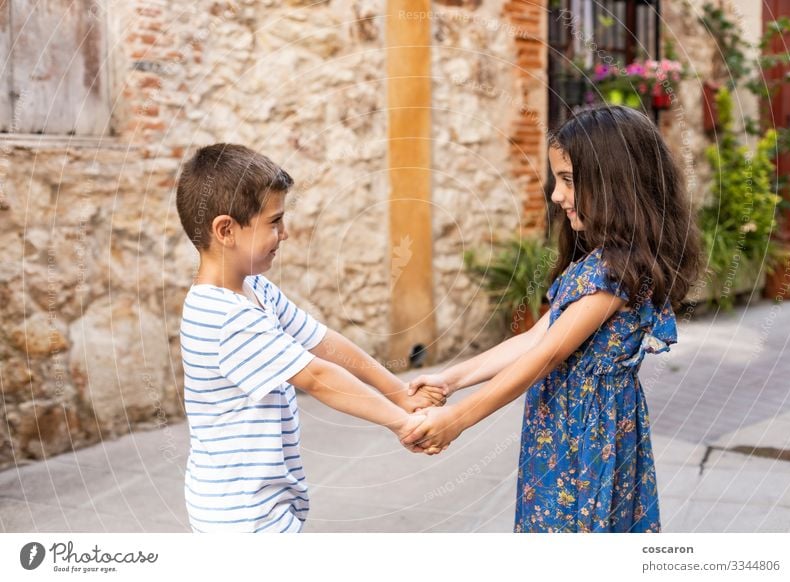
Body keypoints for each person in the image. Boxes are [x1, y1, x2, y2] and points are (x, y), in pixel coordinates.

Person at [405, 106, 703, 533]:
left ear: (613, 184)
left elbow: (546, 356)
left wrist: (458, 420)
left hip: (586, 439)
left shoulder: (614, 274)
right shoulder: (597, 261)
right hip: (564, 429)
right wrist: (449, 381)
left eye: (567, 180)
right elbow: (532, 339)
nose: (556, 196)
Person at [175, 143, 443, 532]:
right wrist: (402, 423)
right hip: (239, 517)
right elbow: (318, 376)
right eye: (274, 221)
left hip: (267, 504)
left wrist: (399, 392)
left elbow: (322, 342)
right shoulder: (222, 316)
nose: (285, 233)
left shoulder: (256, 289)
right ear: (226, 230)